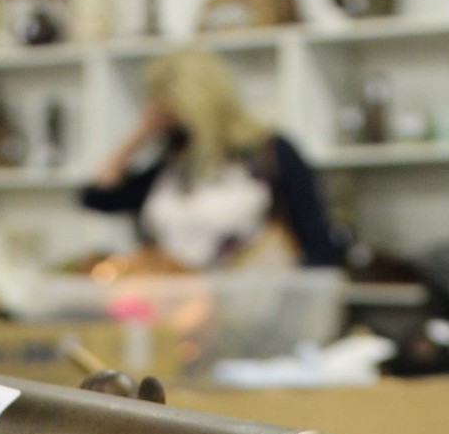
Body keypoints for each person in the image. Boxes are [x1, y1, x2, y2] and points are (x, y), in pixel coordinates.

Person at [80, 49, 341, 272]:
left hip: (252, 308)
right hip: (179, 308)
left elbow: (316, 242)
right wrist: (138, 135)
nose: (168, 120)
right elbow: (98, 196)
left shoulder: (269, 154)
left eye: (173, 110)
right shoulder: (174, 163)